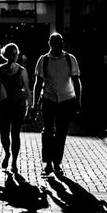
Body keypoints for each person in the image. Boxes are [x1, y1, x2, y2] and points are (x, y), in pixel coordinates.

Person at [31, 32, 82, 176]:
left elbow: (76, 81)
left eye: (59, 42)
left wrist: (78, 100)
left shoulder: (70, 59)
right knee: (47, 131)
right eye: (54, 42)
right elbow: (38, 83)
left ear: (62, 43)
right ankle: (48, 163)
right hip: (49, 100)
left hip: (66, 100)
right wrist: (35, 105)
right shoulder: (43, 60)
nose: (57, 45)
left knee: (61, 133)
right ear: (50, 44)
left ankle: (57, 163)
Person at [0, 43, 32, 172]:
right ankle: (7, 153)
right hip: (3, 107)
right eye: (11, 53)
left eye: (15, 53)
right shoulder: (0, 69)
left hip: (18, 106)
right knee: (4, 135)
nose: (14, 55)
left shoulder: (22, 70)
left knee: (15, 134)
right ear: (6, 55)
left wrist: (29, 107)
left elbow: (27, 90)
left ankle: (14, 161)